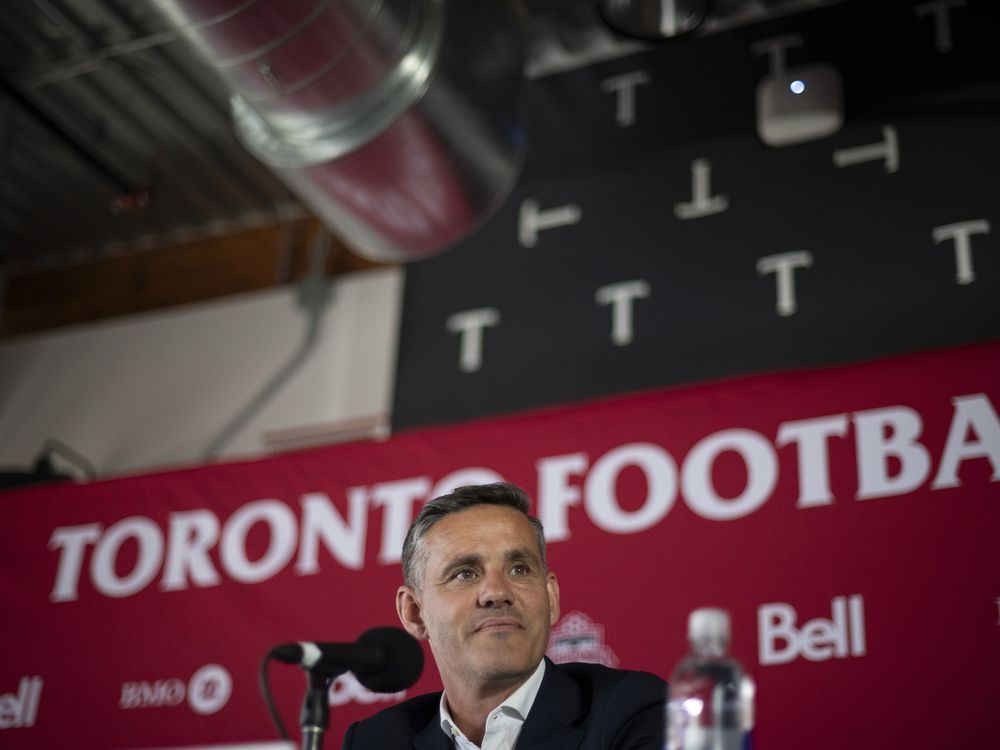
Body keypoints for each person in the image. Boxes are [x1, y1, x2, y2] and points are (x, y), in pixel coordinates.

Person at [341, 482, 666, 749]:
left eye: (519, 569)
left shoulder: (633, 709)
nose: (497, 592)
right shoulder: (376, 741)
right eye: (465, 574)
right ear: (414, 613)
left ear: (551, 597)